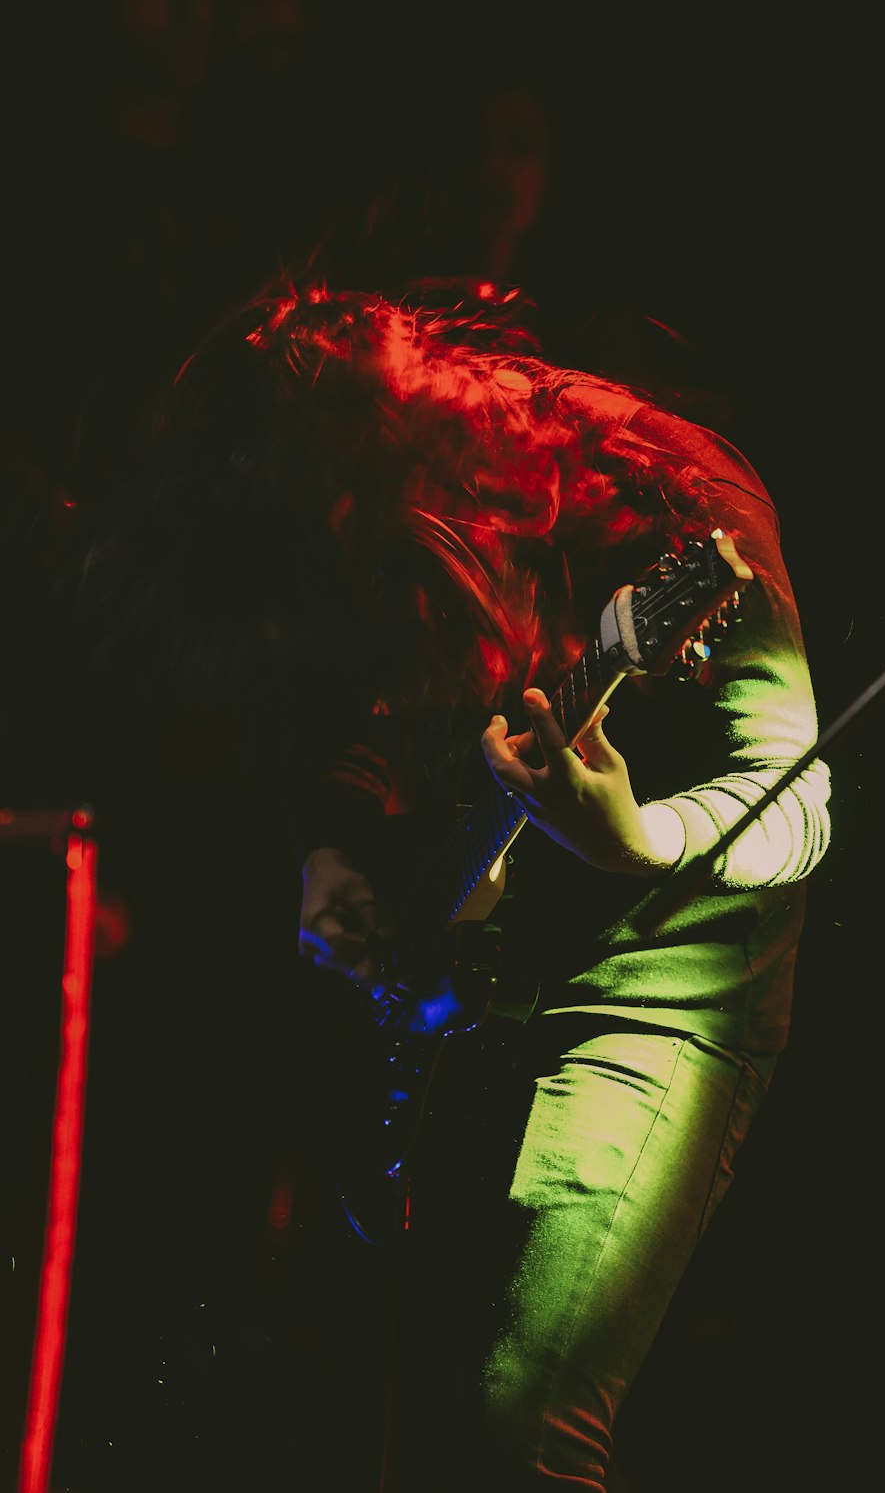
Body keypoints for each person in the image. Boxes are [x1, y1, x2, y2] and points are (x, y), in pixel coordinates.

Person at [91, 268, 831, 1490]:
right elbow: (355, 706)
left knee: (517, 1431)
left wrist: (636, 836)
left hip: (657, 986)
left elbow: (799, 798)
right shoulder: (381, 523)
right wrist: (330, 844)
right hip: (483, 970)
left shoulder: (673, 494)